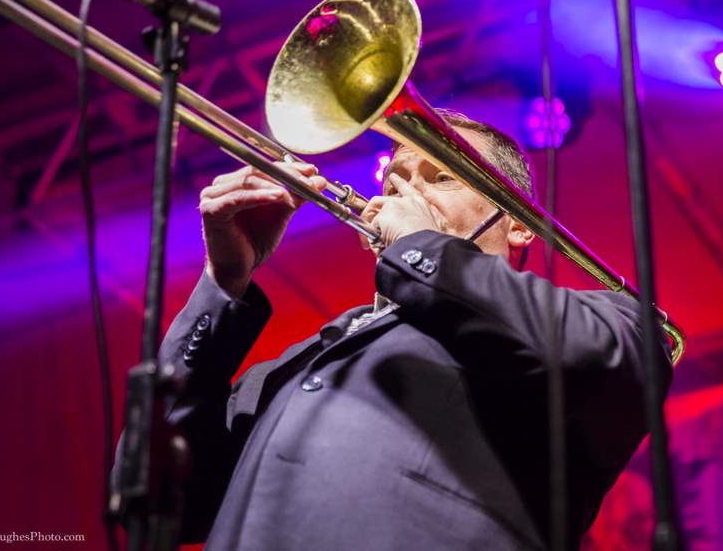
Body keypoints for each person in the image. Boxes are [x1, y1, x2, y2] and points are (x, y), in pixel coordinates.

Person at [114, 111, 673, 550]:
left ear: (520, 221)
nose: (405, 192)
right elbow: (157, 497)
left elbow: (594, 358)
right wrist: (223, 283)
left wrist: (419, 248)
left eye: (441, 176)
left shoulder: (611, 319)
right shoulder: (303, 359)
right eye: (397, 177)